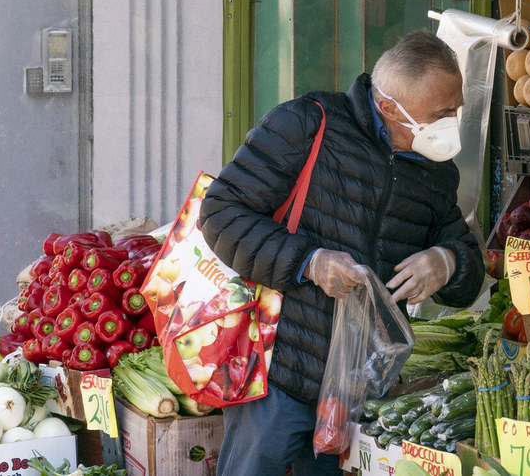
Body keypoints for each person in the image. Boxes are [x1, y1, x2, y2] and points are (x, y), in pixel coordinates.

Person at [201, 31, 486, 475]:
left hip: (357, 395)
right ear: (389, 107)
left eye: (457, 108)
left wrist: (447, 262)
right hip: (279, 377)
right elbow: (221, 213)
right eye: (442, 113)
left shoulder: (436, 172)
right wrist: (308, 262)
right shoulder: (307, 123)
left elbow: (469, 269)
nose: (452, 122)